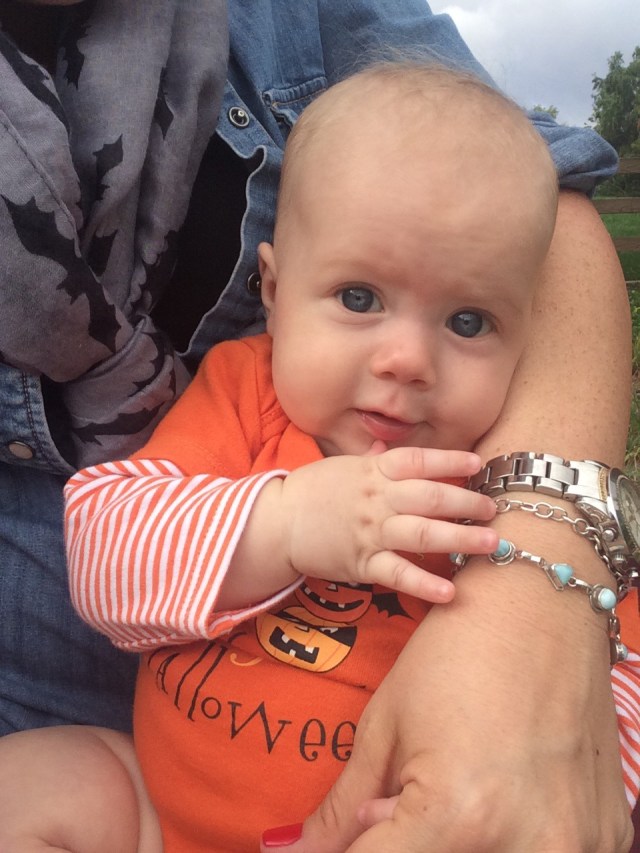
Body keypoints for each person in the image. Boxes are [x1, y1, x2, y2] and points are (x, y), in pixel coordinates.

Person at [0, 1, 637, 850]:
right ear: (273, 291)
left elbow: (591, 685)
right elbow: (106, 556)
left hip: (386, 831)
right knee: (34, 784)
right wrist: (290, 522)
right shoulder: (247, 397)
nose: (408, 359)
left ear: (529, 330)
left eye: (469, 321)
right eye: (360, 298)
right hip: (162, 815)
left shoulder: (505, 483)